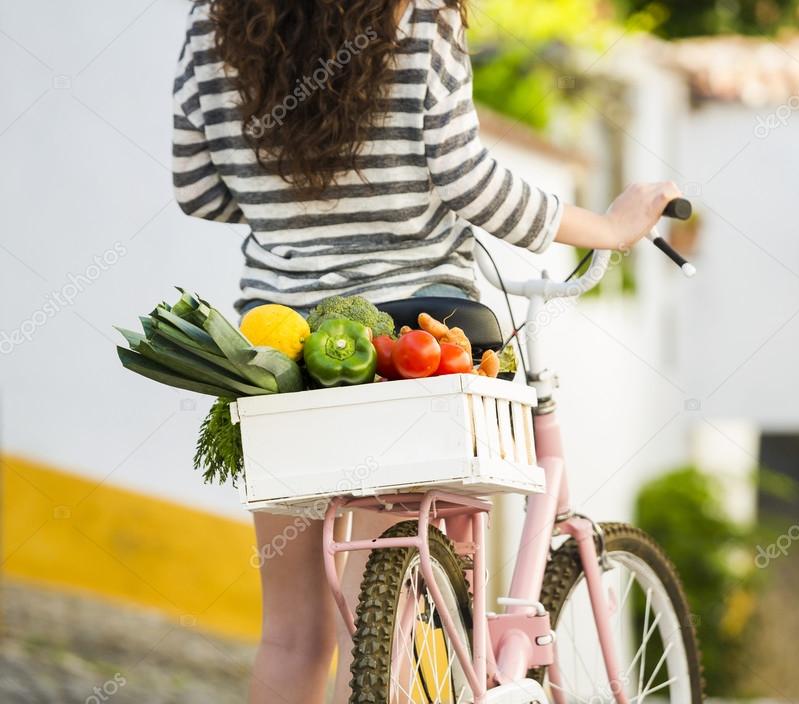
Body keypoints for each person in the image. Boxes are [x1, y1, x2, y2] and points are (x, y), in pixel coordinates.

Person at [172, 0, 682, 701]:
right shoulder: (416, 9)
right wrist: (609, 226)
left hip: (275, 341)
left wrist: (296, 201)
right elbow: (464, 176)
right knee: (374, 620)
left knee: (291, 636)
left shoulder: (214, 17)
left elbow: (198, 190)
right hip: (416, 331)